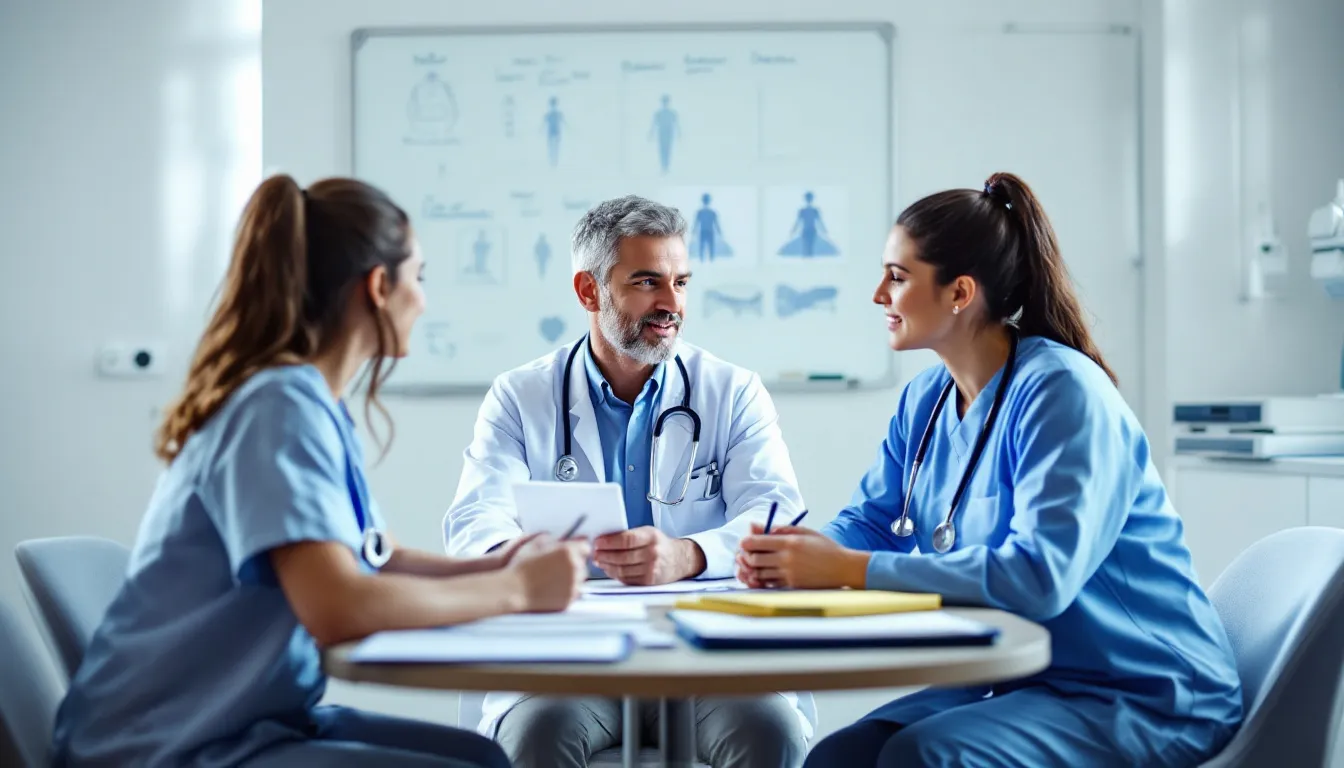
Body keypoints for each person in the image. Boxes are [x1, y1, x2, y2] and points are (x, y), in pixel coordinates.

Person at [51, 174, 590, 767]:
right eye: (420, 277)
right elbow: (339, 606)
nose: (425, 300)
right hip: (170, 746)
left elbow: (370, 556)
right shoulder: (278, 406)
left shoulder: (306, 401)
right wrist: (515, 590)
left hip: (245, 722)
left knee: (483, 759)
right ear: (380, 286)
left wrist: (495, 564)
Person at [737, 173, 1243, 767]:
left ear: (959, 293)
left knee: (918, 757)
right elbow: (874, 520)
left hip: (1143, 693)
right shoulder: (925, 400)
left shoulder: (1063, 395)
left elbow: (1039, 577)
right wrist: (802, 555)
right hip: (1030, 678)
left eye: (897, 277)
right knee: (839, 758)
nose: (878, 294)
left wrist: (847, 569)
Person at [444, 195, 813, 768]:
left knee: (770, 732)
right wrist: (522, 559)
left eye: (681, 282)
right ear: (589, 291)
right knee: (539, 733)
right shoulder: (521, 396)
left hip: (706, 653)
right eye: (647, 282)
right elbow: (475, 520)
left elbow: (776, 516)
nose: (671, 304)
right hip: (571, 656)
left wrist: (687, 555)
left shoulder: (732, 391)